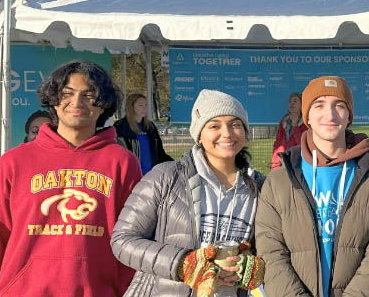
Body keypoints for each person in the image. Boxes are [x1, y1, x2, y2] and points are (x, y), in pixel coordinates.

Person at [0, 60, 142, 296]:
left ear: (103, 106)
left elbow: (132, 241)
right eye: (67, 93)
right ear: (54, 101)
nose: (76, 102)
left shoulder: (122, 163)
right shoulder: (14, 163)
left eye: (89, 95)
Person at [112, 89, 267, 296]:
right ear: (199, 135)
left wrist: (253, 263)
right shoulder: (165, 177)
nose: (227, 133)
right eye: (214, 126)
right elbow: (123, 240)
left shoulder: (261, 188)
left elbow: (270, 250)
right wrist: (183, 264)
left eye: (235, 124)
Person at [255, 76, 369, 297]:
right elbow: (271, 253)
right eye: (318, 105)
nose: (329, 114)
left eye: (339, 105)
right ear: (307, 116)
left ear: (349, 115)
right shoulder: (278, 181)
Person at [114, 93, 173, 175]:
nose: (144, 108)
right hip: (131, 176)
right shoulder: (121, 127)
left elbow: (160, 153)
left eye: (146, 105)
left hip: (150, 177)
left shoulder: (150, 127)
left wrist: (174, 164)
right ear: (131, 107)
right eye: (140, 105)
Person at [271, 92, 307, 170]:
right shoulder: (284, 120)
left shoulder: (306, 122)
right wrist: (275, 162)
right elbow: (278, 142)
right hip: (281, 162)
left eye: (295, 101)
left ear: (301, 105)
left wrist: (295, 126)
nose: (291, 104)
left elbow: (303, 145)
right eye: (290, 101)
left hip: (297, 165)